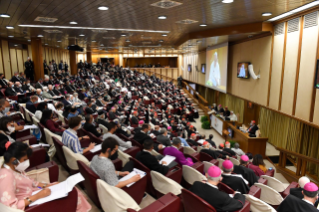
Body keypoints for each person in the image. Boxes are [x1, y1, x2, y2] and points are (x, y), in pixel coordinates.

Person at [0, 142, 92, 211]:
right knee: (72, 193)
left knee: (71, 187)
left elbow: (31, 182)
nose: (26, 162)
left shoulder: (15, 168)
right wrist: (38, 196)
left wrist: (46, 185)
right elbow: (11, 208)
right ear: (14, 160)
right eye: (24, 160)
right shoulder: (6, 176)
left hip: (36, 192)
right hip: (33, 203)